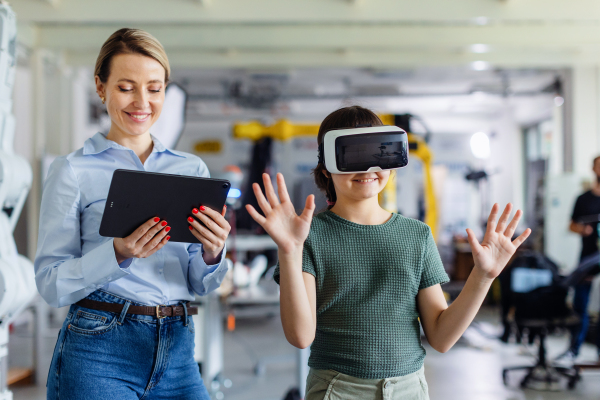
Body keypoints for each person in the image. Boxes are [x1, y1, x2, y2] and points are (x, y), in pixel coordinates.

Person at [246, 106, 530, 400]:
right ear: (325, 168)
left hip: (409, 390)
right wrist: (290, 251)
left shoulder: (416, 235)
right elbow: (300, 336)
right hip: (337, 390)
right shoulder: (307, 236)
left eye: (376, 155)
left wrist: (482, 276)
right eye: (351, 156)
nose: (366, 169)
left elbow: (442, 338)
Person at [34, 28, 230, 400]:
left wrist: (212, 253)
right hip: (99, 348)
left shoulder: (191, 170)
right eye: (126, 87)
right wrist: (117, 253)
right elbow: (50, 282)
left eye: (154, 89)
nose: (142, 102)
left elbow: (202, 282)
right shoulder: (73, 170)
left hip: (177, 347)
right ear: (100, 87)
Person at [556, 156, 600, 365]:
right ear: (593, 168)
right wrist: (583, 229)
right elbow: (571, 225)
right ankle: (574, 350)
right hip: (588, 262)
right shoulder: (583, 199)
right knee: (580, 308)